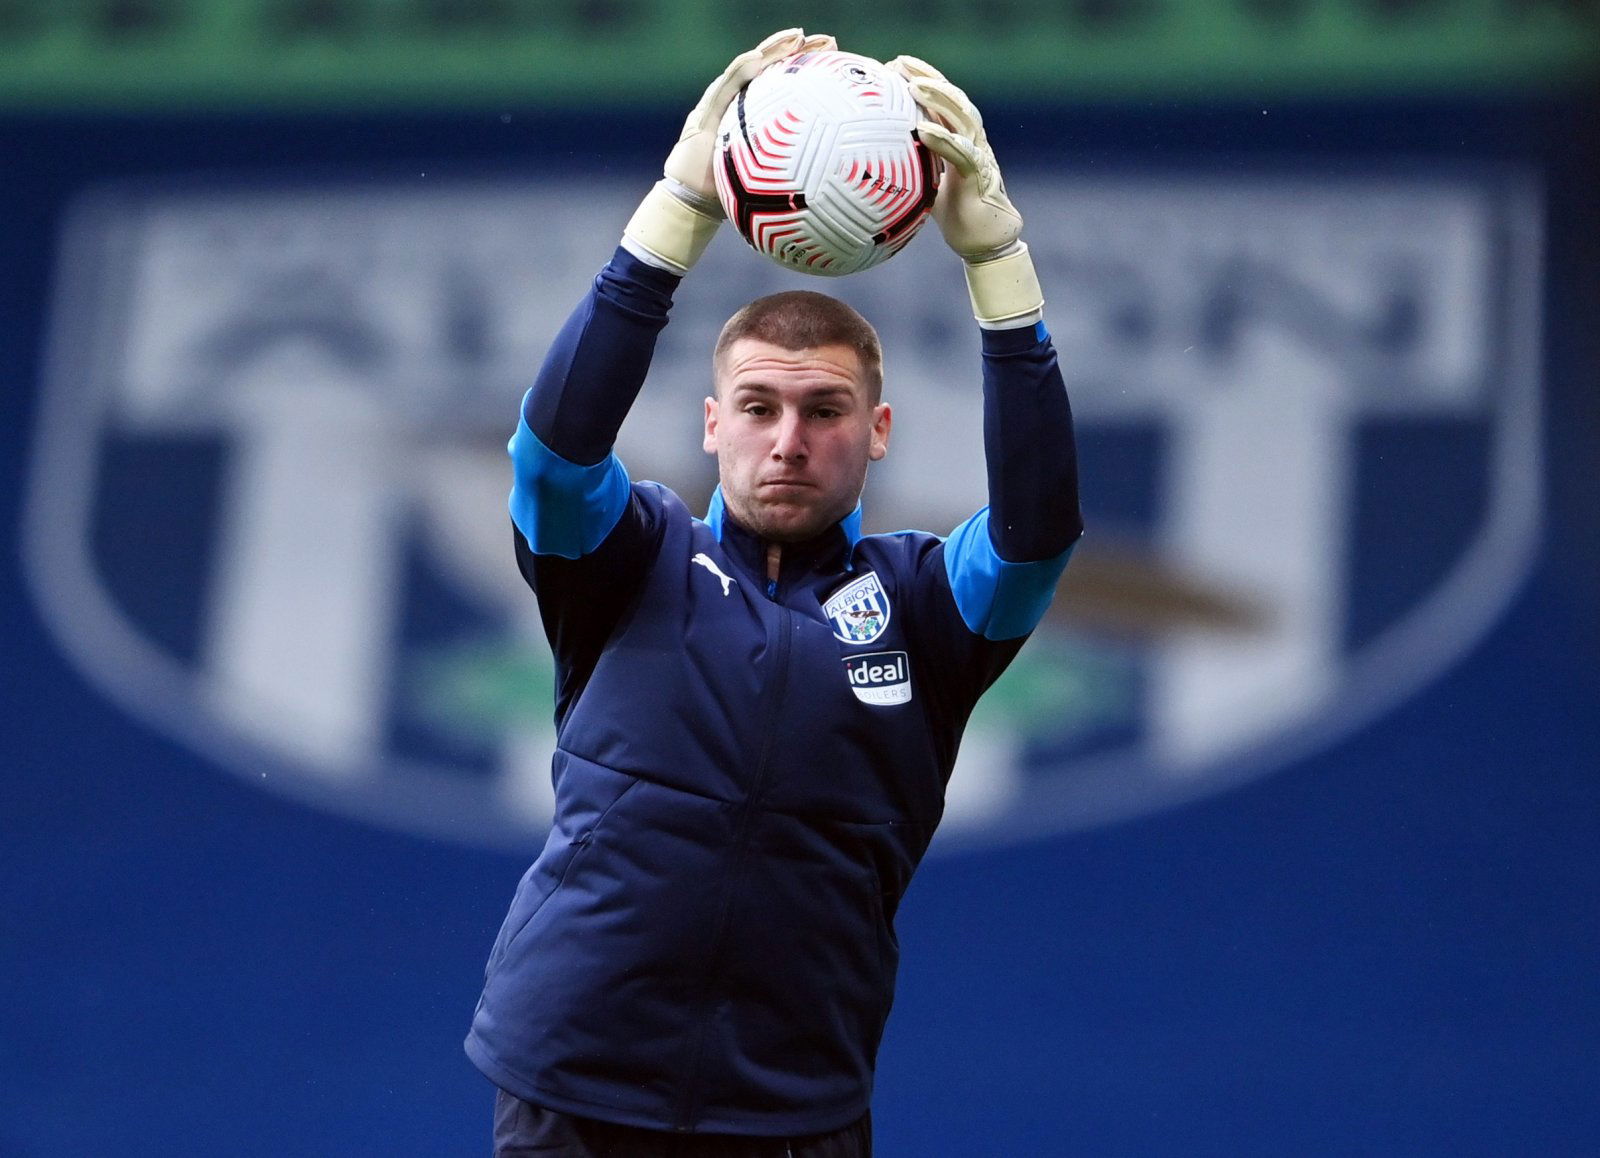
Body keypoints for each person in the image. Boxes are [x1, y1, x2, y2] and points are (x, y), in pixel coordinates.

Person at [465, 29, 1083, 1158]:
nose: (788, 440)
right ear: (711, 424)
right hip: (573, 1085)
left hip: (793, 1108)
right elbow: (553, 459)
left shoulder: (926, 605)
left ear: (877, 432)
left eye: (824, 410)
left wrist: (999, 264)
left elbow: (1038, 532)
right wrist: (677, 211)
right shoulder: (627, 559)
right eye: (757, 406)